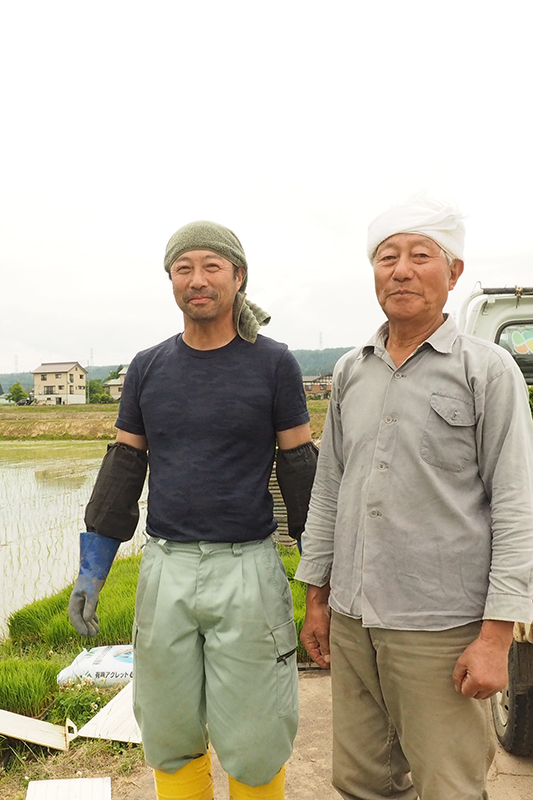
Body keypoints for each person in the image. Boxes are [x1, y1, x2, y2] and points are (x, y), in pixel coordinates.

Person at [68, 221, 317, 800]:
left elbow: (301, 470)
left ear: (239, 276)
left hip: (248, 567)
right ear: (171, 280)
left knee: (256, 734)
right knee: (168, 725)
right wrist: (93, 567)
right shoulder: (149, 366)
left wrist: (320, 583)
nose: (197, 280)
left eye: (211, 266)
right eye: (184, 268)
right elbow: (124, 468)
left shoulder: (273, 363)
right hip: (166, 567)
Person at [295, 195, 533, 800]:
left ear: (453, 273)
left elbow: (515, 504)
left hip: (441, 626)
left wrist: (497, 634)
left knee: (449, 785)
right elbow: (330, 489)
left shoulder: (488, 369)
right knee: (361, 782)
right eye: (386, 257)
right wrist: (317, 596)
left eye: (419, 255)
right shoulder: (352, 370)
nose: (400, 270)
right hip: (353, 618)